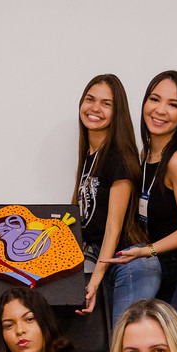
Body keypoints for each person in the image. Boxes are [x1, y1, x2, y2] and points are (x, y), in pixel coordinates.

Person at [103, 71, 177, 322]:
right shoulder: (145, 154)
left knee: (174, 339)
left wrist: (147, 251)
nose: (160, 110)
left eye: (173, 104)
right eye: (155, 99)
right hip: (158, 265)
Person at [69, 75, 147, 321]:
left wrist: (94, 281)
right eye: (90, 99)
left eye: (106, 104)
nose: (95, 108)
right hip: (105, 259)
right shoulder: (90, 153)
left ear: (117, 112)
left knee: (124, 337)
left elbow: (113, 229)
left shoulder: (119, 157)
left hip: (128, 262)